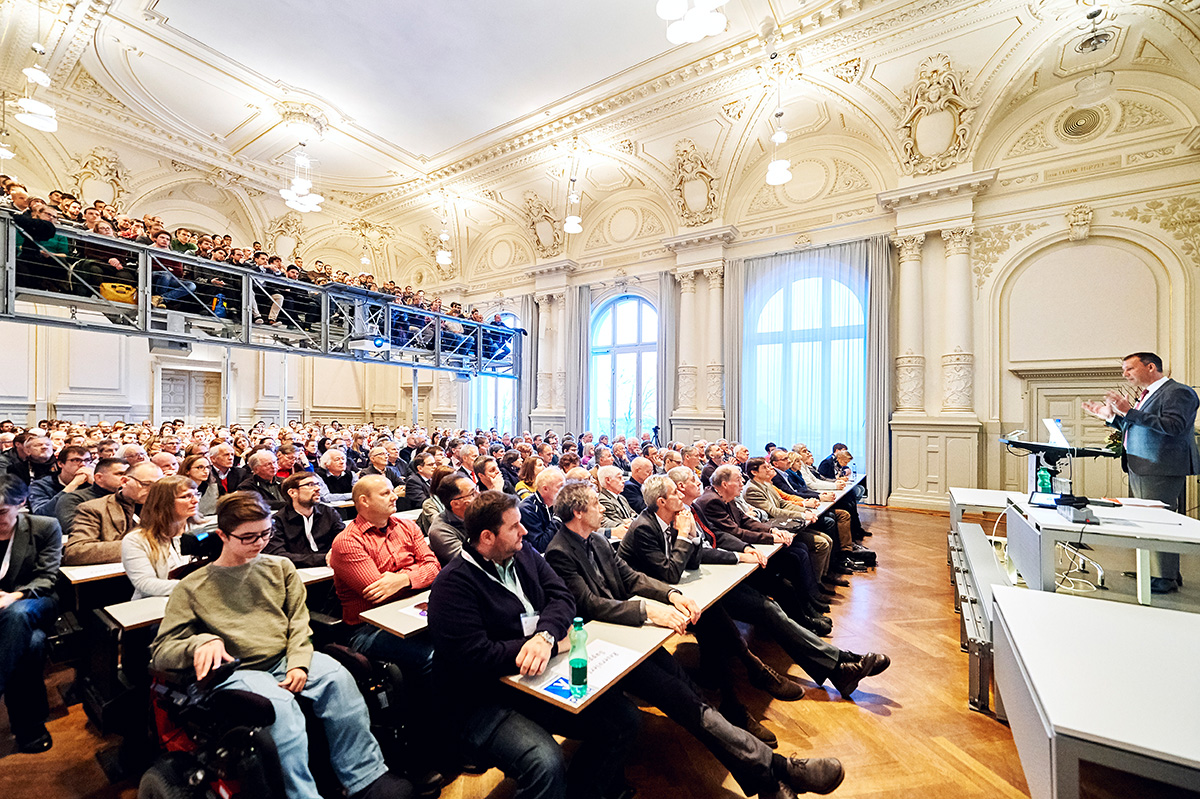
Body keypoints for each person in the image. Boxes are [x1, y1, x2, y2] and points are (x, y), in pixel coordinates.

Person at [544, 481, 846, 798]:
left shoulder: (596, 542)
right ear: (579, 512)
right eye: (595, 504)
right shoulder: (559, 553)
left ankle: (768, 779)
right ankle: (779, 770)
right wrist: (648, 611)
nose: (602, 507)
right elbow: (591, 605)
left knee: (693, 697)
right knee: (688, 702)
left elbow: (632, 578)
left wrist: (672, 594)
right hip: (601, 651)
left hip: (630, 640)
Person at [149, 491, 412, 799]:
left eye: (265, 533)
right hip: (239, 668)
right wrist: (200, 642)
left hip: (286, 655)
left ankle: (365, 777)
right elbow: (162, 650)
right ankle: (301, 794)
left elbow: (298, 623)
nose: (259, 543)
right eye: (248, 537)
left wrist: (300, 661)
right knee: (281, 708)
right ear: (222, 535)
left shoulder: (280, 568)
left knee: (339, 681)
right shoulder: (193, 586)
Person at [426, 490, 640, 799]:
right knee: (545, 762)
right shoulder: (452, 586)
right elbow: (476, 657)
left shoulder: (521, 553)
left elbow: (562, 596)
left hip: (534, 678)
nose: (524, 531)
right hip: (482, 700)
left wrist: (545, 636)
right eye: (514, 526)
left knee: (623, 718)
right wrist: (550, 644)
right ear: (487, 537)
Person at [328, 475, 442, 782]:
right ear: (364, 501)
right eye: (386, 493)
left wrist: (402, 579)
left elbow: (435, 566)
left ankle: (465, 728)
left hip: (415, 615)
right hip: (368, 630)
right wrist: (413, 576)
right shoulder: (347, 541)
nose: (395, 497)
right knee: (431, 658)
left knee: (465, 640)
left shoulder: (408, 526)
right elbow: (374, 589)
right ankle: (432, 743)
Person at [1083, 351, 1200, 593]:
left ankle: (1164, 577)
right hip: (1141, 465)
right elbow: (1137, 424)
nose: (1125, 374)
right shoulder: (1149, 395)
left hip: (1161, 466)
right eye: (1123, 370)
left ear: (1150, 367)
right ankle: (1160, 571)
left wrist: (1128, 411)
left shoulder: (1179, 392)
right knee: (1146, 522)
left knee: (1159, 522)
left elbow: (1174, 426)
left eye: (1129, 369)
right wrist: (1110, 417)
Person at [0, 475, 62, 753]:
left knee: (17, 614)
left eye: (1, 512)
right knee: (33, 645)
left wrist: (13, 596)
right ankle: (29, 727)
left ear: (21, 503)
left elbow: (47, 578)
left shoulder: (44, 527)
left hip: (34, 600)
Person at [65, 462, 163, 565]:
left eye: (158, 486)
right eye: (146, 484)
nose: (153, 491)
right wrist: (142, 546)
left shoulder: (167, 507)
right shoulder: (94, 509)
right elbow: (76, 552)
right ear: (124, 481)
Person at [121, 475, 198, 600]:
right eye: (186, 496)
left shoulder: (202, 529)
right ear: (164, 502)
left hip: (200, 600)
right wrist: (198, 587)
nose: (195, 500)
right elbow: (145, 584)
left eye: (196, 494)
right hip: (156, 603)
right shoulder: (136, 539)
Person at [267, 472, 344, 568]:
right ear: (292, 493)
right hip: (298, 574)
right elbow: (279, 556)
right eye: (310, 485)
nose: (318, 488)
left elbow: (344, 541)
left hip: (333, 569)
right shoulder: (278, 521)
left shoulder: (329, 512)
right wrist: (323, 559)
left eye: (317, 484)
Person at [55, 457, 127, 533]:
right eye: (120, 474)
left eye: (128, 475)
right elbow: (75, 529)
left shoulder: (131, 497)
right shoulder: (73, 499)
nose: (126, 478)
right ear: (99, 477)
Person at [427, 473, 477, 566]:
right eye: (472, 493)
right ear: (455, 504)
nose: (479, 495)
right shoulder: (440, 531)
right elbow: (470, 562)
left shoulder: (478, 513)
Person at [28, 445, 92, 515]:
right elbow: (41, 514)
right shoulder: (41, 485)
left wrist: (97, 485)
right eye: (76, 460)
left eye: (87, 460)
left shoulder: (91, 483)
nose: (83, 464)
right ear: (60, 464)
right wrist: (73, 485)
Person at [518, 466, 566, 552]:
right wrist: (558, 518)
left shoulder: (555, 503)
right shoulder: (527, 510)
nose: (564, 490)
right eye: (560, 487)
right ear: (545, 489)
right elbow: (540, 546)